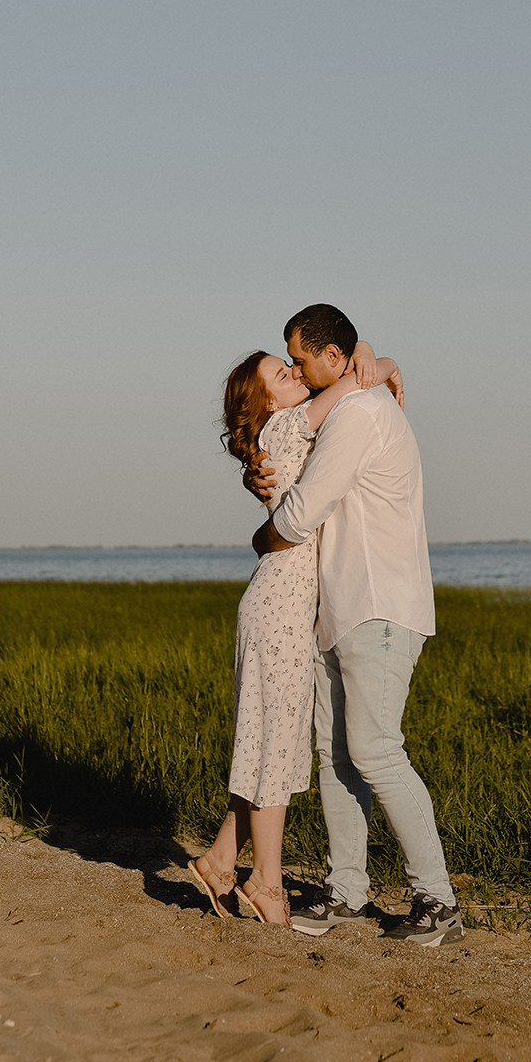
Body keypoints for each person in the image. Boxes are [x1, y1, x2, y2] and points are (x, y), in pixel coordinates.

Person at [250, 303, 463, 948]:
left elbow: (304, 511)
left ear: (333, 359)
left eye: (300, 357)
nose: (294, 367)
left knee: (373, 748)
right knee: (336, 753)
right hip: (338, 607)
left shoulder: (361, 415)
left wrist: (262, 534)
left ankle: (437, 900)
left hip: (379, 605)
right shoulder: (345, 405)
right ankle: (347, 890)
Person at [188, 342, 403, 926]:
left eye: (291, 367)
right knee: (276, 745)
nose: (294, 375)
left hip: (280, 604)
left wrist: (371, 358)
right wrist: (381, 361)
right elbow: (353, 385)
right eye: (282, 374)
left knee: (266, 739)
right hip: (279, 606)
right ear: (266, 400)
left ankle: (222, 861)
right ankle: (267, 883)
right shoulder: (285, 424)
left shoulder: (277, 434)